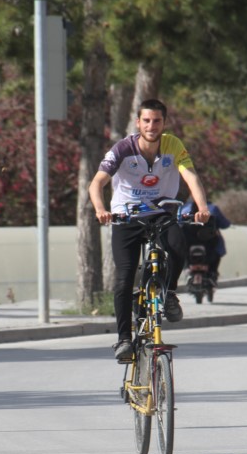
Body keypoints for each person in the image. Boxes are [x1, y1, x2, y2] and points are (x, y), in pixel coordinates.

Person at [88, 99, 211, 362]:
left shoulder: (173, 145)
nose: (151, 126)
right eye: (146, 120)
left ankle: (168, 294)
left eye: (156, 121)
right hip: (126, 216)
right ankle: (123, 339)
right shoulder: (123, 148)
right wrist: (101, 210)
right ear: (138, 122)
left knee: (178, 247)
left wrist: (202, 207)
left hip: (162, 212)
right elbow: (97, 183)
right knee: (124, 278)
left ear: (164, 123)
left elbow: (191, 177)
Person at [180, 200, 231, 282]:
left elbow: (179, 224)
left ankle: (186, 268)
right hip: (208, 246)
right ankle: (212, 273)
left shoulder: (184, 208)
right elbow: (224, 224)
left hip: (188, 245)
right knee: (217, 248)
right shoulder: (213, 209)